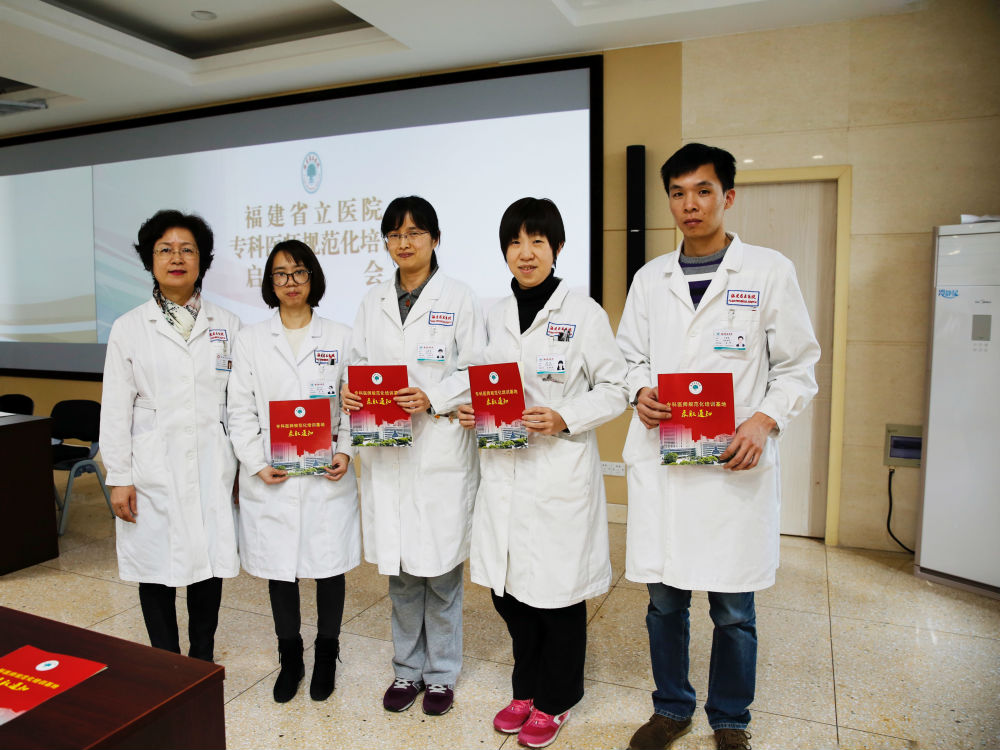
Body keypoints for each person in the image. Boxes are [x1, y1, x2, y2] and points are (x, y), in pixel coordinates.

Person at [616, 143, 820, 750]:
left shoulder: (768, 271)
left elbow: (798, 367)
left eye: (703, 191)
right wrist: (639, 391)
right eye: (678, 193)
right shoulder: (651, 279)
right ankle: (671, 708)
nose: (690, 204)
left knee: (733, 611)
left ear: (727, 197)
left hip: (734, 465)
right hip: (667, 466)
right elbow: (628, 358)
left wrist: (763, 420)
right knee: (664, 605)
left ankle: (731, 719)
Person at [459, 197, 628, 748]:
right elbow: (480, 379)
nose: (525, 253)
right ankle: (525, 687)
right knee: (508, 593)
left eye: (537, 241)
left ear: (557, 247)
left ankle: (556, 699)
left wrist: (564, 416)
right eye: (515, 242)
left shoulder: (584, 313)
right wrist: (469, 407)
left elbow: (616, 387)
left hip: (557, 470)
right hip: (503, 468)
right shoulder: (493, 314)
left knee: (557, 596)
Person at [341, 195, 485, 716]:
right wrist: (350, 393)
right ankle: (406, 669)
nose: (404, 243)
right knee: (401, 572)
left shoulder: (459, 297)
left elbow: (477, 368)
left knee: (441, 571)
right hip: (388, 449)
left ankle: (441, 674)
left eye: (415, 233)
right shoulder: (372, 301)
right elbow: (357, 363)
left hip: (438, 446)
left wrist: (434, 396)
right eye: (395, 234)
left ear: (435, 239)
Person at [100, 209, 241, 662]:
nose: (176, 258)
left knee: (208, 563)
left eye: (187, 249)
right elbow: (115, 408)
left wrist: (243, 465)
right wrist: (119, 476)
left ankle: (201, 661)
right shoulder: (129, 327)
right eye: (165, 249)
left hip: (213, 461)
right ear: (150, 260)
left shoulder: (228, 324)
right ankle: (165, 664)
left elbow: (240, 403)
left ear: (202, 260)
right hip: (151, 464)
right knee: (155, 565)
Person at [227, 240, 361, 703]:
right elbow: (239, 410)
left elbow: (354, 405)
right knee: (280, 569)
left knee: (329, 567)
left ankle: (326, 654)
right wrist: (256, 462)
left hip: (326, 475)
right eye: (281, 274)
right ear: (271, 282)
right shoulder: (250, 339)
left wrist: (345, 451)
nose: (290, 282)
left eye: (299, 272)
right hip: (274, 475)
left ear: (313, 278)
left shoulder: (341, 336)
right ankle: (291, 658)